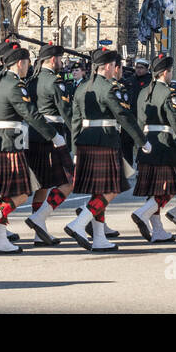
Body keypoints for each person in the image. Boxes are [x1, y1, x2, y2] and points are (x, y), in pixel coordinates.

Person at [0, 42, 61, 253]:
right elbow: (30, 114)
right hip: (9, 142)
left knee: (1, 193)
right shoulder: (15, 85)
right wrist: (53, 135)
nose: (28, 67)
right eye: (27, 63)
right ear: (20, 63)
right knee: (21, 192)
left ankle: (2, 239)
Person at [65, 47, 144, 251]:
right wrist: (141, 140)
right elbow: (122, 116)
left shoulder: (81, 87)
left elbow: (75, 120)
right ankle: (80, 222)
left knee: (98, 192)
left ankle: (99, 237)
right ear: (108, 66)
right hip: (105, 141)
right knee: (112, 189)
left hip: (84, 142)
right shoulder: (108, 88)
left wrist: (74, 149)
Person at [23, 42, 76, 245]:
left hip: (34, 135)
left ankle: (40, 231)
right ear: (53, 59)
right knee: (67, 183)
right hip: (52, 136)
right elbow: (66, 111)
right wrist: (77, 134)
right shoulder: (55, 81)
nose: (61, 63)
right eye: (60, 59)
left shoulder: (32, 80)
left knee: (43, 184)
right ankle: (39, 218)